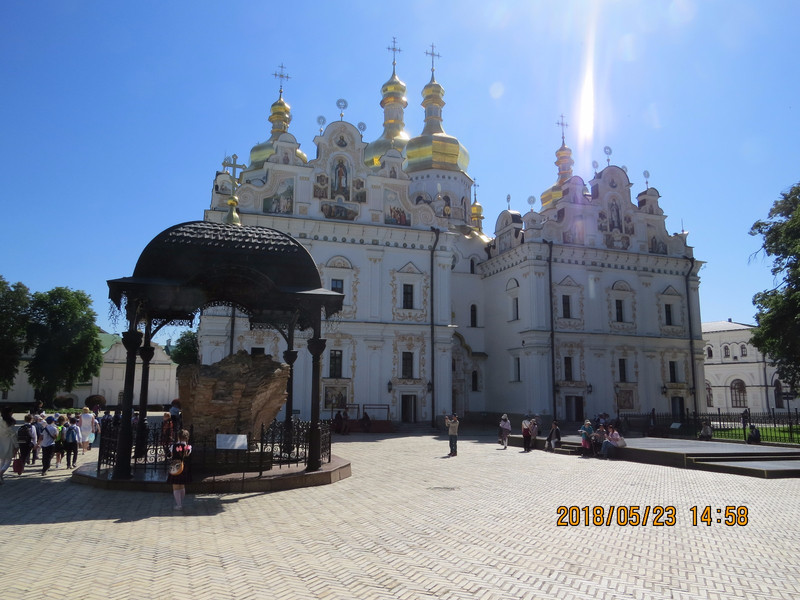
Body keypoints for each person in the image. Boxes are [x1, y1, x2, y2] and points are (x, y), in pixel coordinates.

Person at [168, 429, 192, 510]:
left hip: (175, 467)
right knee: (182, 485)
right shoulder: (188, 447)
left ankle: (179, 505)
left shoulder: (173, 446)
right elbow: (187, 456)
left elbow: (171, 455)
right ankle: (181, 502)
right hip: (184, 467)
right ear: (187, 438)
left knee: (175, 486)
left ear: (178, 437)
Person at [0, 406, 19, 483]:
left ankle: (0, 478)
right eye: (11, 411)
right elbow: (13, 435)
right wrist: (17, 446)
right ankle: (0, 474)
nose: (12, 413)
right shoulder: (9, 423)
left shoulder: (0, 421)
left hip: (1, 443)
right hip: (9, 443)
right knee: (8, 461)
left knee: (2, 460)